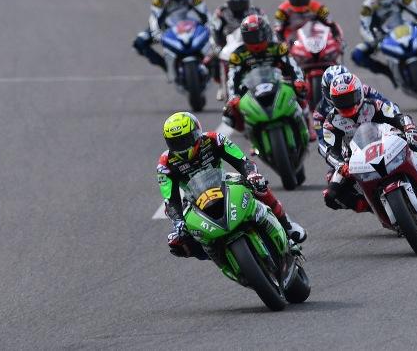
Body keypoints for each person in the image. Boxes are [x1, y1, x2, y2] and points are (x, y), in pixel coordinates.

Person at [158, 111, 306, 260]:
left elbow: (242, 161)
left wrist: (251, 174)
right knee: (180, 240)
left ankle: (287, 225)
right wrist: (178, 221)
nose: (182, 147)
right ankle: (219, 256)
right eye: (175, 143)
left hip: (223, 182)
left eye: (185, 140)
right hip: (194, 198)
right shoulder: (165, 164)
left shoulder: (214, 139)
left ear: (197, 133)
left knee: (258, 185)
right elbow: (170, 199)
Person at [320, 73, 417, 212]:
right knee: (330, 195)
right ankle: (371, 206)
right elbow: (330, 150)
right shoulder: (330, 122)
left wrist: (409, 128)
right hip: (354, 159)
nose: (346, 103)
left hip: (386, 142)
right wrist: (341, 165)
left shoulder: (374, 105)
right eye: (340, 100)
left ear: (359, 93)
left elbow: (398, 117)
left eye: (349, 98)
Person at [221, 14, 308, 133]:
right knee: (229, 112)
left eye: (258, 35)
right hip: (251, 88)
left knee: (300, 90)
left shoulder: (278, 48)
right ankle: (249, 131)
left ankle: (307, 121)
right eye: (250, 37)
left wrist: (298, 80)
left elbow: (292, 65)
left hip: (279, 82)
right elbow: (233, 78)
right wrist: (233, 96)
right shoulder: (238, 55)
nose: (255, 40)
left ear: (266, 33)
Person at [133, 0, 209, 72]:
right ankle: (166, 66)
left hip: (190, 26)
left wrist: (210, 27)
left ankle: (208, 64)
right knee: (139, 42)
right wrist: (156, 32)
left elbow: (206, 14)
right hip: (167, 28)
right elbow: (154, 17)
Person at [311, 65, 393, 151]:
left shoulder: (363, 89)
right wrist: (333, 153)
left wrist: (393, 117)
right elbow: (323, 140)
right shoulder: (318, 112)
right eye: (332, 88)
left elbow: (386, 104)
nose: (342, 95)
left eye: (348, 95)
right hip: (348, 148)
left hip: (374, 133)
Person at [273, 0, 341, 44]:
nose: (299, 3)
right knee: (280, 47)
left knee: (332, 45)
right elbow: (277, 30)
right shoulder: (282, 10)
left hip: (313, 39)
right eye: (295, 0)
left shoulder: (319, 7)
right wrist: (283, 43)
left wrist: (336, 37)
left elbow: (331, 23)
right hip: (292, 41)